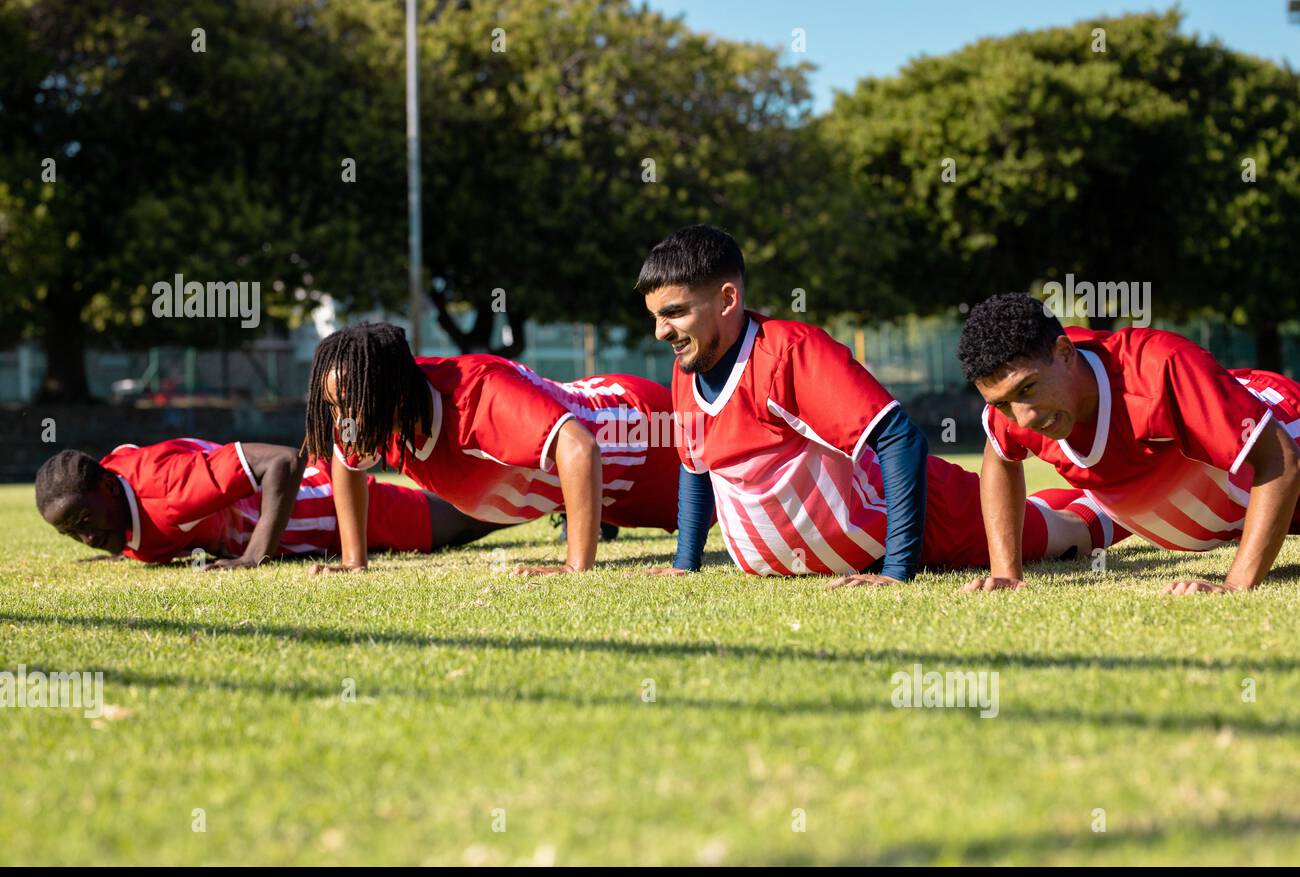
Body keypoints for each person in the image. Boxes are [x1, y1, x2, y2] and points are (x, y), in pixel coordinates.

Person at [636, 225, 1120, 582]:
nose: (661, 331)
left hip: (934, 518)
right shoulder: (690, 367)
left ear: (727, 298)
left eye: (674, 313)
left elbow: (899, 437)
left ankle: (1130, 499)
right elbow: (695, 466)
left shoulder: (788, 352)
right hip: (856, 547)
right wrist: (685, 564)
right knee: (1048, 516)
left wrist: (895, 570)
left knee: (1066, 537)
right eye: (656, 316)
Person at [957, 292, 1300, 594]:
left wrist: (1236, 585)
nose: (1024, 418)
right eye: (1002, 403)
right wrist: (1006, 573)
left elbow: (1281, 460)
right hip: (1203, 495)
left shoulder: (1160, 371)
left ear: (1064, 354)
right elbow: (1000, 456)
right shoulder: (1021, 395)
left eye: (1027, 389)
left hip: (1280, 426)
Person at [302, 323, 679, 574]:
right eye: (333, 406)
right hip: (611, 493)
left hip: (645, 436)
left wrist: (575, 567)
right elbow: (345, 463)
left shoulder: (479, 395)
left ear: (395, 396)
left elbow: (581, 448)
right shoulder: (376, 405)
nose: (341, 420)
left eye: (349, 404)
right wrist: (354, 560)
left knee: (727, 502)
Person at [35, 438, 500, 566]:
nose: (87, 536)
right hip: (297, 510)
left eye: (84, 520)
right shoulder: (113, 476)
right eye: (70, 531)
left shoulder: (168, 492)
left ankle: (557, 494)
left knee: (462, 519)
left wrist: (253, 555)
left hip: (322, 506)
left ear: (111, 489)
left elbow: (281, 462)